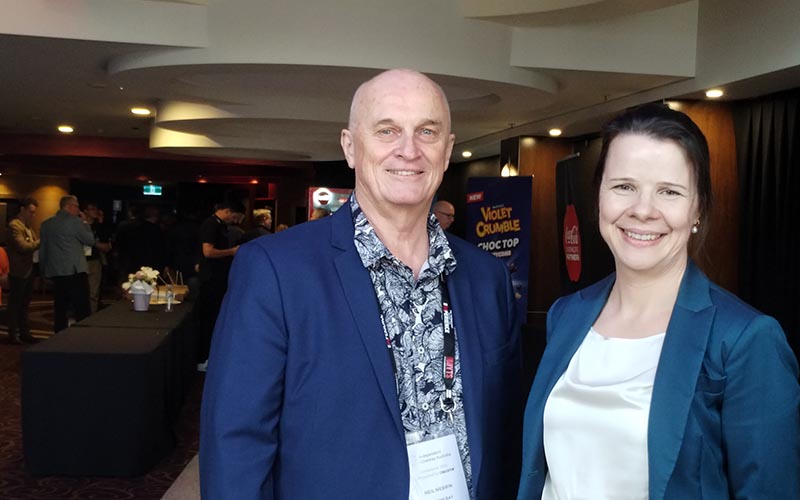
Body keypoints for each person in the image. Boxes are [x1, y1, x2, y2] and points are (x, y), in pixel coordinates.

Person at [200, 69, 523, 500]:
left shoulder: (488, 278)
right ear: (351, 148)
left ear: (446, 152)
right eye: (387, 130)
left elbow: (506, 430)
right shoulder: (276, 270)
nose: (409, 150)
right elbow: (235, 440)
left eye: (426, 132)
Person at [517, 104, 800, 500]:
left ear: (698, 207)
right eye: (624, 187)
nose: (643, 210)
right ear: (599, 195)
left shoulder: (745, 340)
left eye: (669, 192)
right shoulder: (568, 314)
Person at [193, 200, 242, 371]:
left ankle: (207, 356)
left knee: (212, 317)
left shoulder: (216, 224)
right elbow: (208, 251)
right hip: (212, 278)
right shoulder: (211, 225)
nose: (233, 218)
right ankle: (203, 357)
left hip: (214, 276)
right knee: (209, 317)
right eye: (232, 214)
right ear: (226, 211)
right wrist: (231, 252)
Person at [39, 195, 95, 333]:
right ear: (68, 206)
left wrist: (43, 271)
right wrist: (85, 223)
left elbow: (43, 249)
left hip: (57, 272)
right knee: (81, 308)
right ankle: (82, 337)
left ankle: (59, 336)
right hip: (75, 272)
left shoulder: (46, 224)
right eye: (77, 206)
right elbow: (90, 240)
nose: (79, 209)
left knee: (60, 308)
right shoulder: (75, 222)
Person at [7, 198, 41, 344]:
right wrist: (41, 241)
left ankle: (24, 333)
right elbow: (23, 247)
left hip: (28, 269)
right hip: (18, 271)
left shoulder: (27, 227)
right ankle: (13, 335)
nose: (33, 215)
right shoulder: (15, 226)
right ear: (22, 209)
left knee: (24, 304)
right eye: (31, 212)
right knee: (15, 305)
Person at [84, 202, 112, 312]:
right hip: (80, 260)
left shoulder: (99, 227)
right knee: (81, 291)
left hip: (94, 260)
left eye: (96, 209)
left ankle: (91, 314)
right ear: (85, 211)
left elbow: (106, 245)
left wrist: (101, 223)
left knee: (93, 292)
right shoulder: (80, 225)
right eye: (92, 209)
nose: (95, 211)